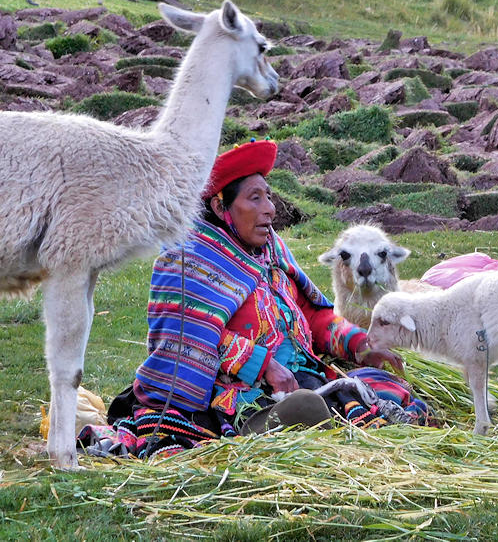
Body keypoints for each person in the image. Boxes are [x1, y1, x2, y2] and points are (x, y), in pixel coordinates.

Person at [79, 140, 431, 459]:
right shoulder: (189, 259)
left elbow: (312, 315)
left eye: (269, 196)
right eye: (255, 198)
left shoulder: (271, 251)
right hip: (232, 397)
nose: (270, 209)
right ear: (221, 207)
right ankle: (264, 430)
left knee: (384, 385)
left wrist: (362, 344)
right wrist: (262, 365)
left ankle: (305, 423)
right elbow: (186, 339)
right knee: (306, 407)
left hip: (303, 377)